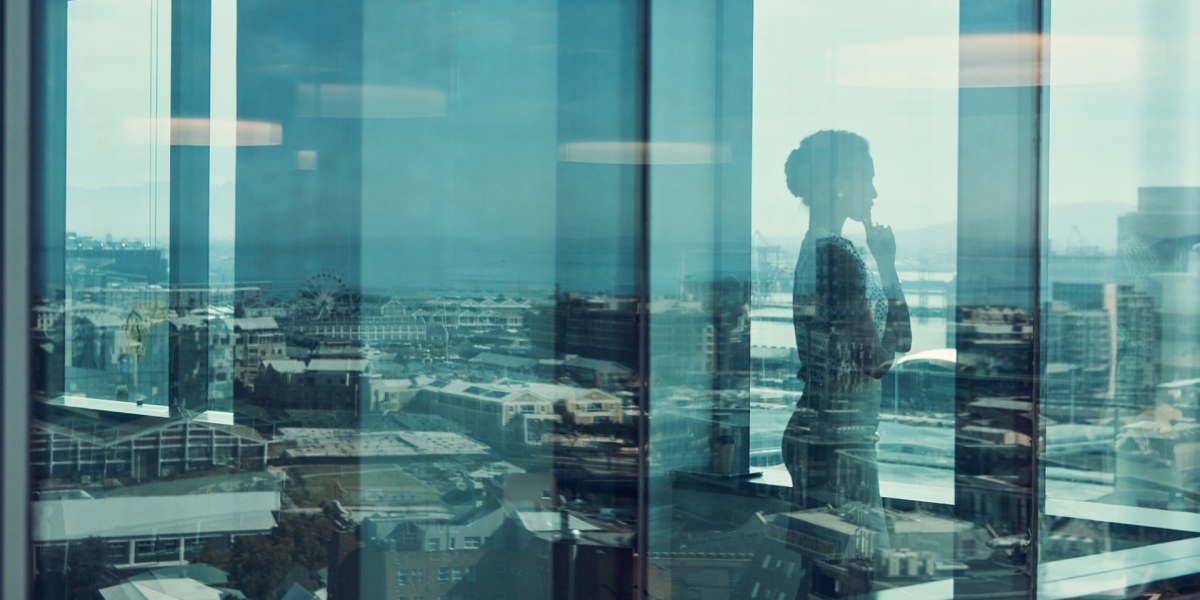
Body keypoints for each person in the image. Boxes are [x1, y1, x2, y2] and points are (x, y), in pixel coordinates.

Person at [781, 130, 911, 550]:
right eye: (867, 179)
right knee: (864, 569)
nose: (875, 192)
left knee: (827, 574)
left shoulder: (815, 249)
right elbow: (885, 358)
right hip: (840, 444)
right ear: (840, 185)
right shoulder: (839, 258)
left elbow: (894, 344)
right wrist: (887, 266)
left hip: (826, 436)